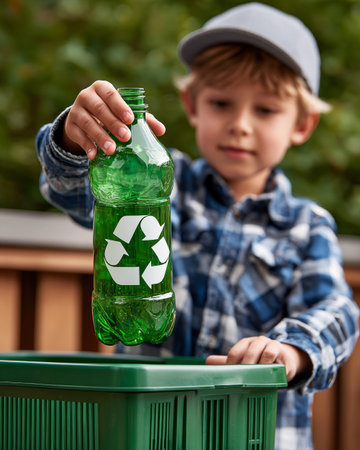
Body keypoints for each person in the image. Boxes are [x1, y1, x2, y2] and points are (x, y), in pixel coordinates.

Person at [36, 3, 358, 449]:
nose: (240, 126)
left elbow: (337, 311)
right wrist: (74, 142)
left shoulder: (306, 227)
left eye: (265, 111)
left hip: (254, 435)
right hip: (148, 433)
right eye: (221, 103)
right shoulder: (155, 177)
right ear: (192, 105)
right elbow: (71, 194)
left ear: (301, 125)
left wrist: (291, 350)